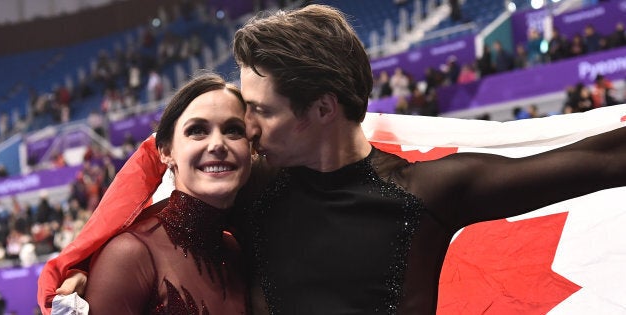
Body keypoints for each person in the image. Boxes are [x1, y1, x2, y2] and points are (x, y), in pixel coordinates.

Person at [40, 4, 626, 315]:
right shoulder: (251, 187)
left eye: (259, 112)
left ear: (321, 109)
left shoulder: (428, 192)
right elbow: (167, 159)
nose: (244, 130)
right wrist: (75, 264)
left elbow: (603, 160)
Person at [41, 73, 251, 314]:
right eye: (197, 130)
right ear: (165, 152)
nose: (217, 144)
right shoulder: (129, 255)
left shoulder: (237, 249)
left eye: (234, 130)